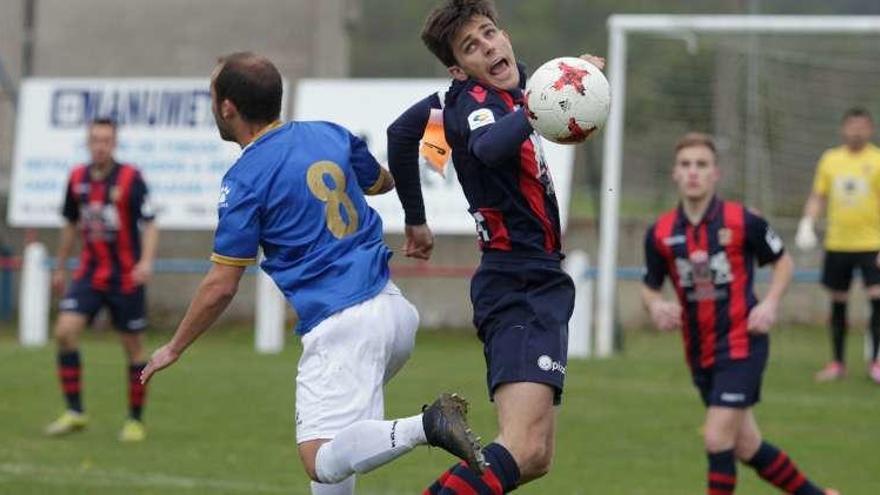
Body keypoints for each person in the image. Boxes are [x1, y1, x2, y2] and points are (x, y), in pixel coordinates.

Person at [139, 52, 482, 495]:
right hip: (393, 311)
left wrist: (174, 346)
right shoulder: (327, 134)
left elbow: (221, 286)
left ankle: (428, 425)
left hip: (343, 325)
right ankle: (422, 427)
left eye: (212, 95)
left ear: (227, 107)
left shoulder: (244, 180)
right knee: (343, 445)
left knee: (320, 458)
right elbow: (380, 182)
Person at [387, 1, 600, 491]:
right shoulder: (476, 103)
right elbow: (486, 147)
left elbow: (401, 133)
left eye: (489, 33)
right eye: (471, 46)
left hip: (536, 278)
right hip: (517, 282)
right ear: (458, 68)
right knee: (521, 445)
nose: (488, 46)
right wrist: (537, 106)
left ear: (503, 34)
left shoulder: (492, 94)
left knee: (536, 456)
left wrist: (415, 221)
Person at [642, 132, 838, 495]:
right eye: (686, 165)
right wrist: (656, 306)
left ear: (716, 173)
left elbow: (783, 262)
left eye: (702, 164)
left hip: (742, 344)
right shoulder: (661, 232)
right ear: (675, 173)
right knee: (746, 445)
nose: (693, 172)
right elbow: (649, 285)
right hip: (699, 352)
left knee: (717, 437)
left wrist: (770, 303)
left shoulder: (742, 220)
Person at [44, 117, 159, 442]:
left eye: (106, 140)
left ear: (114, 143)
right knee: (65, 332)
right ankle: (75, 412)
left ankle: (135, 420)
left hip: (125, 276)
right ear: (88, 142)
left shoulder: (131, 178)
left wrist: (146, 261)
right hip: (90, 273)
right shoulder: (77, 178)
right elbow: (70, 223)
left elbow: (150, 222)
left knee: (133, 348)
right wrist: (61, 266)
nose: (100, 145)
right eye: (95, 139)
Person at [795, 107, 880, 383]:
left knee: (877, 299)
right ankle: (837, 363)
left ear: (870, 129)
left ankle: (876, 363)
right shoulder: (831, 160)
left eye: (862, 126)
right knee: (838, 301)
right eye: (852, 125)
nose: (857, 131)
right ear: (843, 128)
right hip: (838, 242)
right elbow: (818, 196)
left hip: (872, 243)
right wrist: (807, 223)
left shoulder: (877, 160)